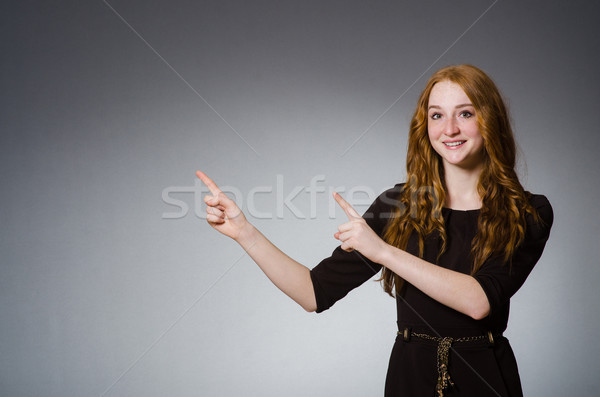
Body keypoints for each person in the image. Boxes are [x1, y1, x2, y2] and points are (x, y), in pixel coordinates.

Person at [196, 64, 553, 397]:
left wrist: (382, 251)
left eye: (465, 113)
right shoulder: (397, 204)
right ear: (425, 127)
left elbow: (479, 301)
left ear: (488, 120)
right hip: (409, 375)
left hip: (485, 376)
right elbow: (313, 293)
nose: (450, 129)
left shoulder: (527, 211)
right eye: (437, 116)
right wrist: (245, 232)